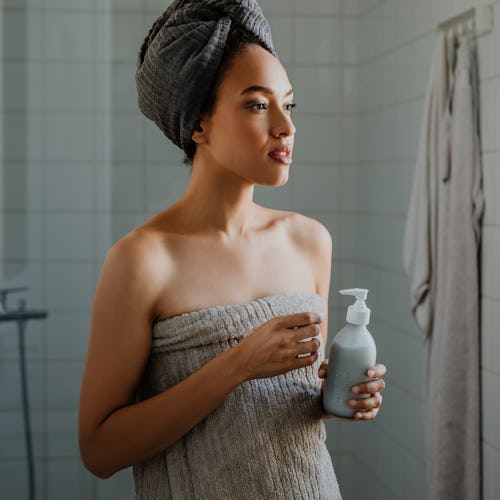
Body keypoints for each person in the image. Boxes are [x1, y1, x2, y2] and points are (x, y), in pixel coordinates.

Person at [78, 1, 387, 499]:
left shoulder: (310, 241)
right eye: (257, 104)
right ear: (198, 124)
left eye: (289, 104)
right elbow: (98, 451)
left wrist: (342, 395)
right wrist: (238, 364)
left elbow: (295, 398)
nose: (285, 126)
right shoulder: (142, 261)